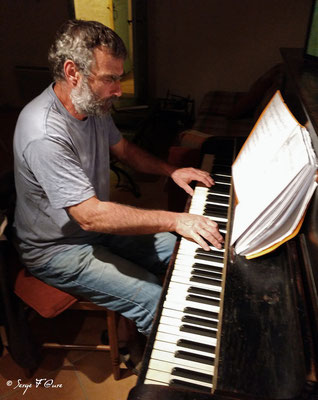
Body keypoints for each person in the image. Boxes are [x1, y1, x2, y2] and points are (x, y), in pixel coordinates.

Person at [13, 19, 223, 338]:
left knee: (184, 252)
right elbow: (91, 217)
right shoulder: (43, 133)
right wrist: (176, 219)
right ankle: (162, 375)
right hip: (56, 250)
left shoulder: (94, 107)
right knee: (154, 299)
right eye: (110, 79)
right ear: (73, 73)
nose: (118, 90)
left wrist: (171, 170)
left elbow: (124, 149)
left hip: (93, 229)